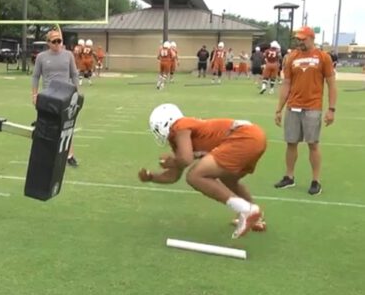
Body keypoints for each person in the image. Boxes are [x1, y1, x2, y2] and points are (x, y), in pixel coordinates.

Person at [138, 103, 267, 239]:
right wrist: (152, 177)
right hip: (254, 137)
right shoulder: (179, 135)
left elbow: (186, 160)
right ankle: (255, 218)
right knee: (228, 178)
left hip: (244, 137)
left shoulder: (180, 127)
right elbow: (173, 176)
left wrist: (172, 161)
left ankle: (246, 210)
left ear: (164, 124)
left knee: (194, 176)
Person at [274, 26, 337, 195]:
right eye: (298, 39)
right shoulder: (292, 57)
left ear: (311, 38)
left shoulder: (323, 57)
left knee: (313, 144)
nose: (299, 42)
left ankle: (316, 181)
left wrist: (331, 109)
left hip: (313, 107)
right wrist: (279, 109)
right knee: (291, 143)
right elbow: (286, 83)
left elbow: (331, 84)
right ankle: (289, 177)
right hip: (293, 106)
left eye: (303, 39)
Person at [32, 29, 81, 167]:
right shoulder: (41, 57)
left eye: (59, 40)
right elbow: (35, 76)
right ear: (48, 43)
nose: (57, 43)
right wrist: (34, 94)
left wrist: (77, 92)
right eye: (54, 41)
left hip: (65, 95)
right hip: (48, 96)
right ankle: (47, 156)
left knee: (66, 125)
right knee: (47, 127)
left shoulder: (68, 55)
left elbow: (74, 74)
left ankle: (69, 155)